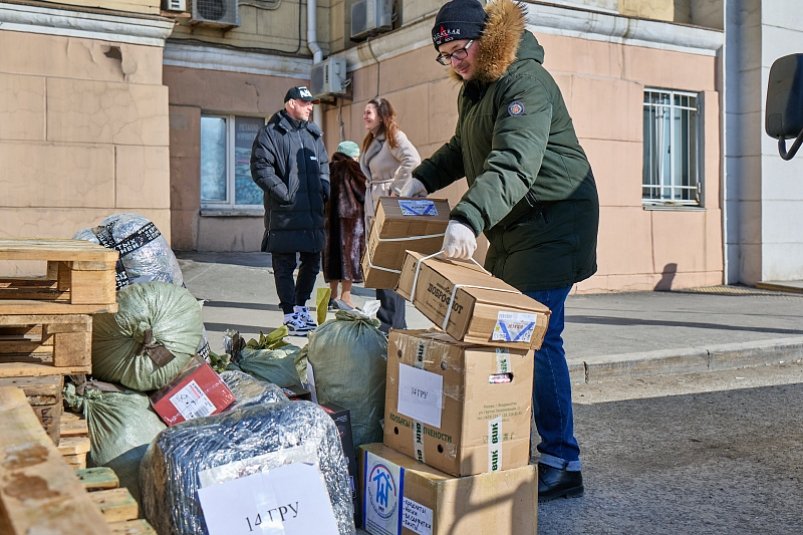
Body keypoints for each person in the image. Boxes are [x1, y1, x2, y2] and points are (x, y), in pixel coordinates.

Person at [399, 0, 599, 501]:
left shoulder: (524, 82)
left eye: (460, 49)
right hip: (515, 225)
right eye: (444, 54)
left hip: (554, 220)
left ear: (484, 39)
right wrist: (421, 179)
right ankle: (505, 446)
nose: (454, 62)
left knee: (536, 336)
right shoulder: (476, 90)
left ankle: (561, 461)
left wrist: (467, 216)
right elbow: (462, 149)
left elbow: (514, 163)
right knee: (500, 335)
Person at [250, 85, 330, 336]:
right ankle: (288, 313)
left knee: (312, 261)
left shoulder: (313, 135)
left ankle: (300, 307)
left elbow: (324, 167)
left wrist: (324, 190)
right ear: (290, 104)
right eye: (305, 103)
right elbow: (261, 168)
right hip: (284, 212)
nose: (310, 107)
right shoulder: (271, 133)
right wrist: (285, 194)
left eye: (311, 103)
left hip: (311, 213)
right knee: (284, 263)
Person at [360, 97, 422, 333]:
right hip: (374, 204)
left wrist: (396, 190)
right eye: (364, 112)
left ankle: (392, 323)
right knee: (379, 262)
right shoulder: (372, 140)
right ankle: (388, 321)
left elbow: (413, 160)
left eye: (369, 112)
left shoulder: (394, 137)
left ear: (381, 114)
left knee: (389, 262)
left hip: (388, 205)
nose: (365, 116)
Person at [323, 140, 367, 310]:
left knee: (332, 257)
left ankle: (332, 296)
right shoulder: (352, 167)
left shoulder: (328, 168)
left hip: (329, 221)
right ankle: (346, 297)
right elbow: (363, 192)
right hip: (350, 221)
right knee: (349, 258)